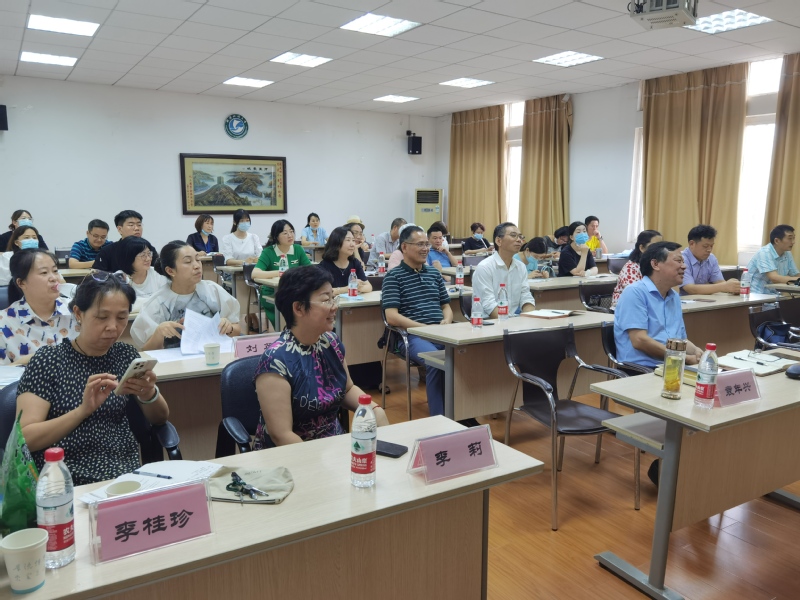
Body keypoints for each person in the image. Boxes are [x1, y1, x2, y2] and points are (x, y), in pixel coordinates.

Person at [16, 272, 169, 485]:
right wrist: (82, 411)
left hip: (124, 475)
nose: (113, 327)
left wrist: (148, 393)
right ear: (78, 313)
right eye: (102, 317)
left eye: (122, 318)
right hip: (64, 481)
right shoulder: (48, 361)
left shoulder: (125, 356)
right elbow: (25, 439)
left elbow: (160, 419)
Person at [253, 266, 389, 447]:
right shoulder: (275, 362)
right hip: (294, 452)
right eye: (326, 300)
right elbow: (282, 435)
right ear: (299, 308)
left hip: (333, 444)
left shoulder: (330, 342)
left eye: (333, 298)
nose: (334, 306)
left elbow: (347, 389)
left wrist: (374, 409)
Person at [381, 225, 453, 417]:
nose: (425, 248)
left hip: (440, 332)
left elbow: (446, 306)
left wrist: (446, 321)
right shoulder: (393, 277)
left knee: (465, 356)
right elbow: (392, 317)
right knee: (436, 360)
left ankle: (463, 413)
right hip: (411, 336)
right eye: (420, 244)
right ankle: (440, 418)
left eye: (427, 244)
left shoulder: (433, 274)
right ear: (404, 247)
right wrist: (424, 328)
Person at [130, 241, 240, 350]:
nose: (197, 266)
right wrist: (159, 333)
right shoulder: (157, 303)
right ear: (170, 271)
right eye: (188, 262)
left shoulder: (213, 290)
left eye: (197, 259)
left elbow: (236, 329)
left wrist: (229, 328)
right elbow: (145, 351)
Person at [614, 241, 704, 369]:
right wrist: (684, 358)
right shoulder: (634, 293)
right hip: (641, 369)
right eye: (678, 261)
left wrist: (696, 351)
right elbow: (639, 340)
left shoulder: (673, 297)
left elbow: (680, 340)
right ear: (655, 264)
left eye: (683, 262)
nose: (684, 266)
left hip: (671, 365)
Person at [0, 249, 81, 366]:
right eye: (44, 273)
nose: (54, 278)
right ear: (21, 283)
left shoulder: (77, 310)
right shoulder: (4, 323)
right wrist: (31, 360)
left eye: (55, 271)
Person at [252, 220, 312, 328]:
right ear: (276, 236)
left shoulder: (298, 249)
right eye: (285, 233)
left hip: (295, 291)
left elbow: (310, 270)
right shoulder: (269, 252)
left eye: (291, 231)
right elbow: (255, 273)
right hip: (272, 292)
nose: (290, 235)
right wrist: (280, 273)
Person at [472, 222, 536, 318]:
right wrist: (509, 323)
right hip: (488, 322)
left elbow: (526, 296)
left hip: (512, 320)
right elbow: (489, 304)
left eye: (520, 236)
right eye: (513, 235)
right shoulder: (485, 267)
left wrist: (528, 317)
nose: (519, 240)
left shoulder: (521, 267)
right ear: (499, 241)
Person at [679, 224, 740, 295]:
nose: (709, 250)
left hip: (703, 299)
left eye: (711, 246)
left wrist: (733, 287)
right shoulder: (681, 259)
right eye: (705, 246)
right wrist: (724, 286)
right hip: (684, 300)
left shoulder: (711, 258)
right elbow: (690, 289)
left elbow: (719, 282)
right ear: (692, 244)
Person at [114, 237, 168, 311]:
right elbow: (122, 304)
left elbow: (166, 300)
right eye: (143, 255)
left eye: (149, 254)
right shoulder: (119, 278)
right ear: (129, 257)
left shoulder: (158, 274)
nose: (148, 259)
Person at [611, 230, 662, 307]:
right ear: (641, 248)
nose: (659, 250)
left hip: (651, 305)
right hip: (627, 307)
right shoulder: (631, 268)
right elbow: (635, 295)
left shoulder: (658, 265)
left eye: (661, 246)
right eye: (654, 246)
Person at [317, 226, 372, 296]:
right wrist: (348, 288)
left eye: (353, 240)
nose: (352, 244)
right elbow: (324, 291)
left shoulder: (355, 263)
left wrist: (357, 287)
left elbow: (369, 287)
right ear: (337, 243)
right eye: (348, 240)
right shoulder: (325, 265)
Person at [747, 224, 799, 295]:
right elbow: (774, 278)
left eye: (793, 238)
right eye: (790, 238)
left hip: (774, 295)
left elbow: (796, 275)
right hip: (757, 295)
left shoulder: (787, 253)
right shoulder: (764, 252)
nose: (793, 242)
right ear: (777, 241)